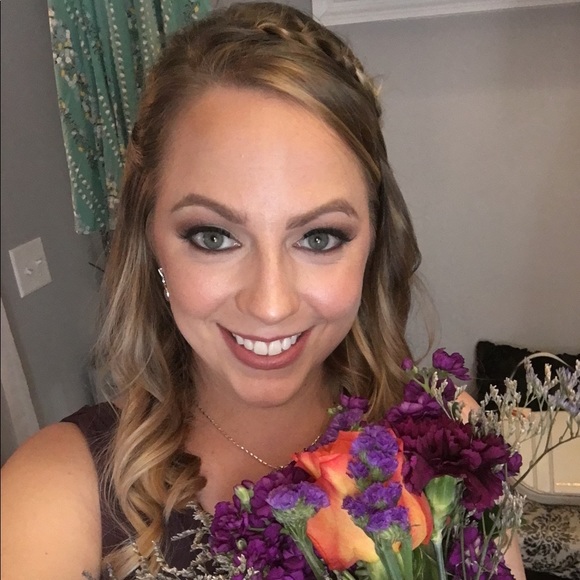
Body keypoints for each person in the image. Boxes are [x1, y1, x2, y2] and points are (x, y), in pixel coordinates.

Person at [0, 3, 526, 579]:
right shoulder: (52, 494)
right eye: (213, 236)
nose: (270, 304)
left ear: (374, 243)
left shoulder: (451, 434)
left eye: (319, 237)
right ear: (151, 240)